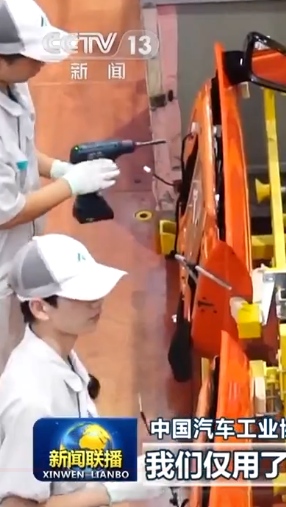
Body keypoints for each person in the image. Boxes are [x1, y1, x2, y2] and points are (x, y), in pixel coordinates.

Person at [0, 234, 169, 507]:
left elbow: (62, 446)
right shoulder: (32, 403)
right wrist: (111, 492)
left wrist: (131, 468)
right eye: (81, 294)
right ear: (40, 308)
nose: (97, 301)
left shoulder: (61, 353)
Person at [0, 0, 122, 373]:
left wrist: (57, 168)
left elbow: (19, 151)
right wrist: (70, 184)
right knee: (7, 361)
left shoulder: (15, 85)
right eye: (33, 57)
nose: (42, 64)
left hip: (20, 248)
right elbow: (7, 212)